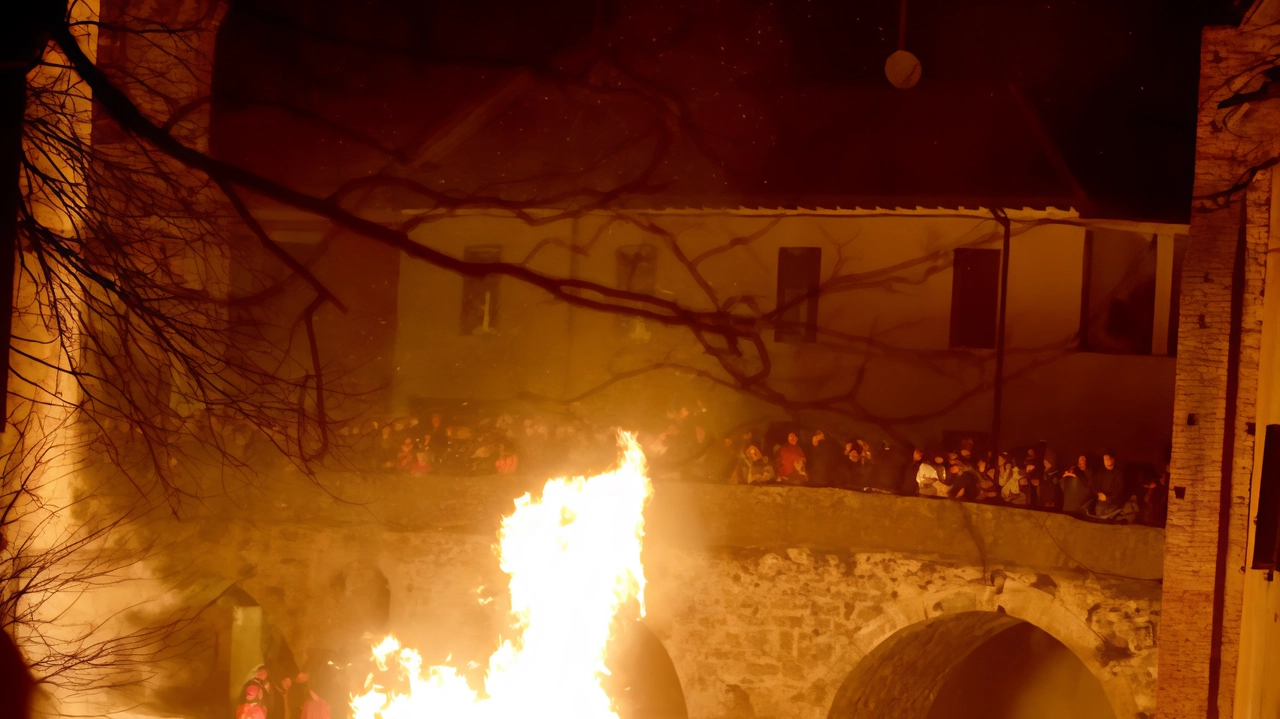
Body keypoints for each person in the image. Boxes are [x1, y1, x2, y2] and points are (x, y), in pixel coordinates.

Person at [1088, 451, 1126, 520]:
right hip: (1101, 501)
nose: (1107, 462)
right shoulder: (1100, 472)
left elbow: (1120, 492)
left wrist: (1107, 498)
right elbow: (1093, 485)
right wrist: (1098, 493)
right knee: (1099, 511)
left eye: (1109, 459)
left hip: (1114, 502)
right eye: (1105, 460)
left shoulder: (1118, 473)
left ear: (1113, 459)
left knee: (1111, 513)